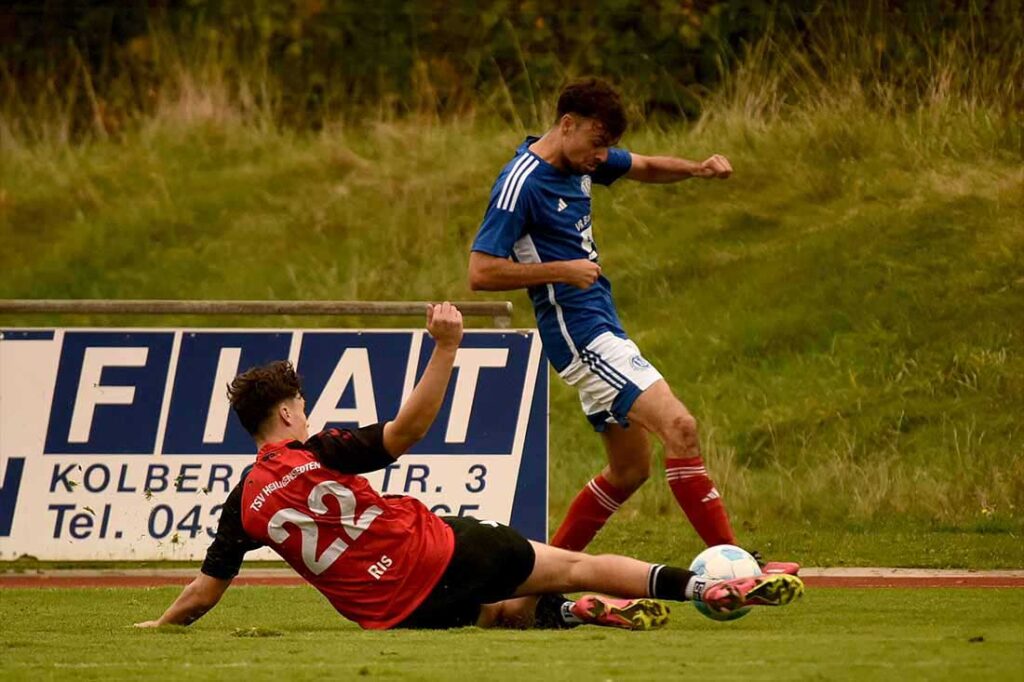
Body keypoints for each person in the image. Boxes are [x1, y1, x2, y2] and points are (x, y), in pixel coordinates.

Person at [136, 303, 803, 631]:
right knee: (571, 563)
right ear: (286, 416)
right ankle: (705, 590)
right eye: (301, 408)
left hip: (394, 614)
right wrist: (447, 348)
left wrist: (157, 628)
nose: (305, 417)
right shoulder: (317, 451)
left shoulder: (243, 502)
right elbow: (409, 429)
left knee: (496, 615)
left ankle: (572, 616)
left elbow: (201, 594)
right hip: (440, 553)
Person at [468, 78, 798, 573]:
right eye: (598, 144)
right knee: (680, 427)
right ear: (567, 125)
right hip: (580, 334)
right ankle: (740, 566)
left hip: (601, 326)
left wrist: (697, 169)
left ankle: (535, 581)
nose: (603, 158)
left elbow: (643, 166)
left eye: (608, 147)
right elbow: (481, 270)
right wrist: (561, 270)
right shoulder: (522, 183)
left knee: (629, 471)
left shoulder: (580, 159)